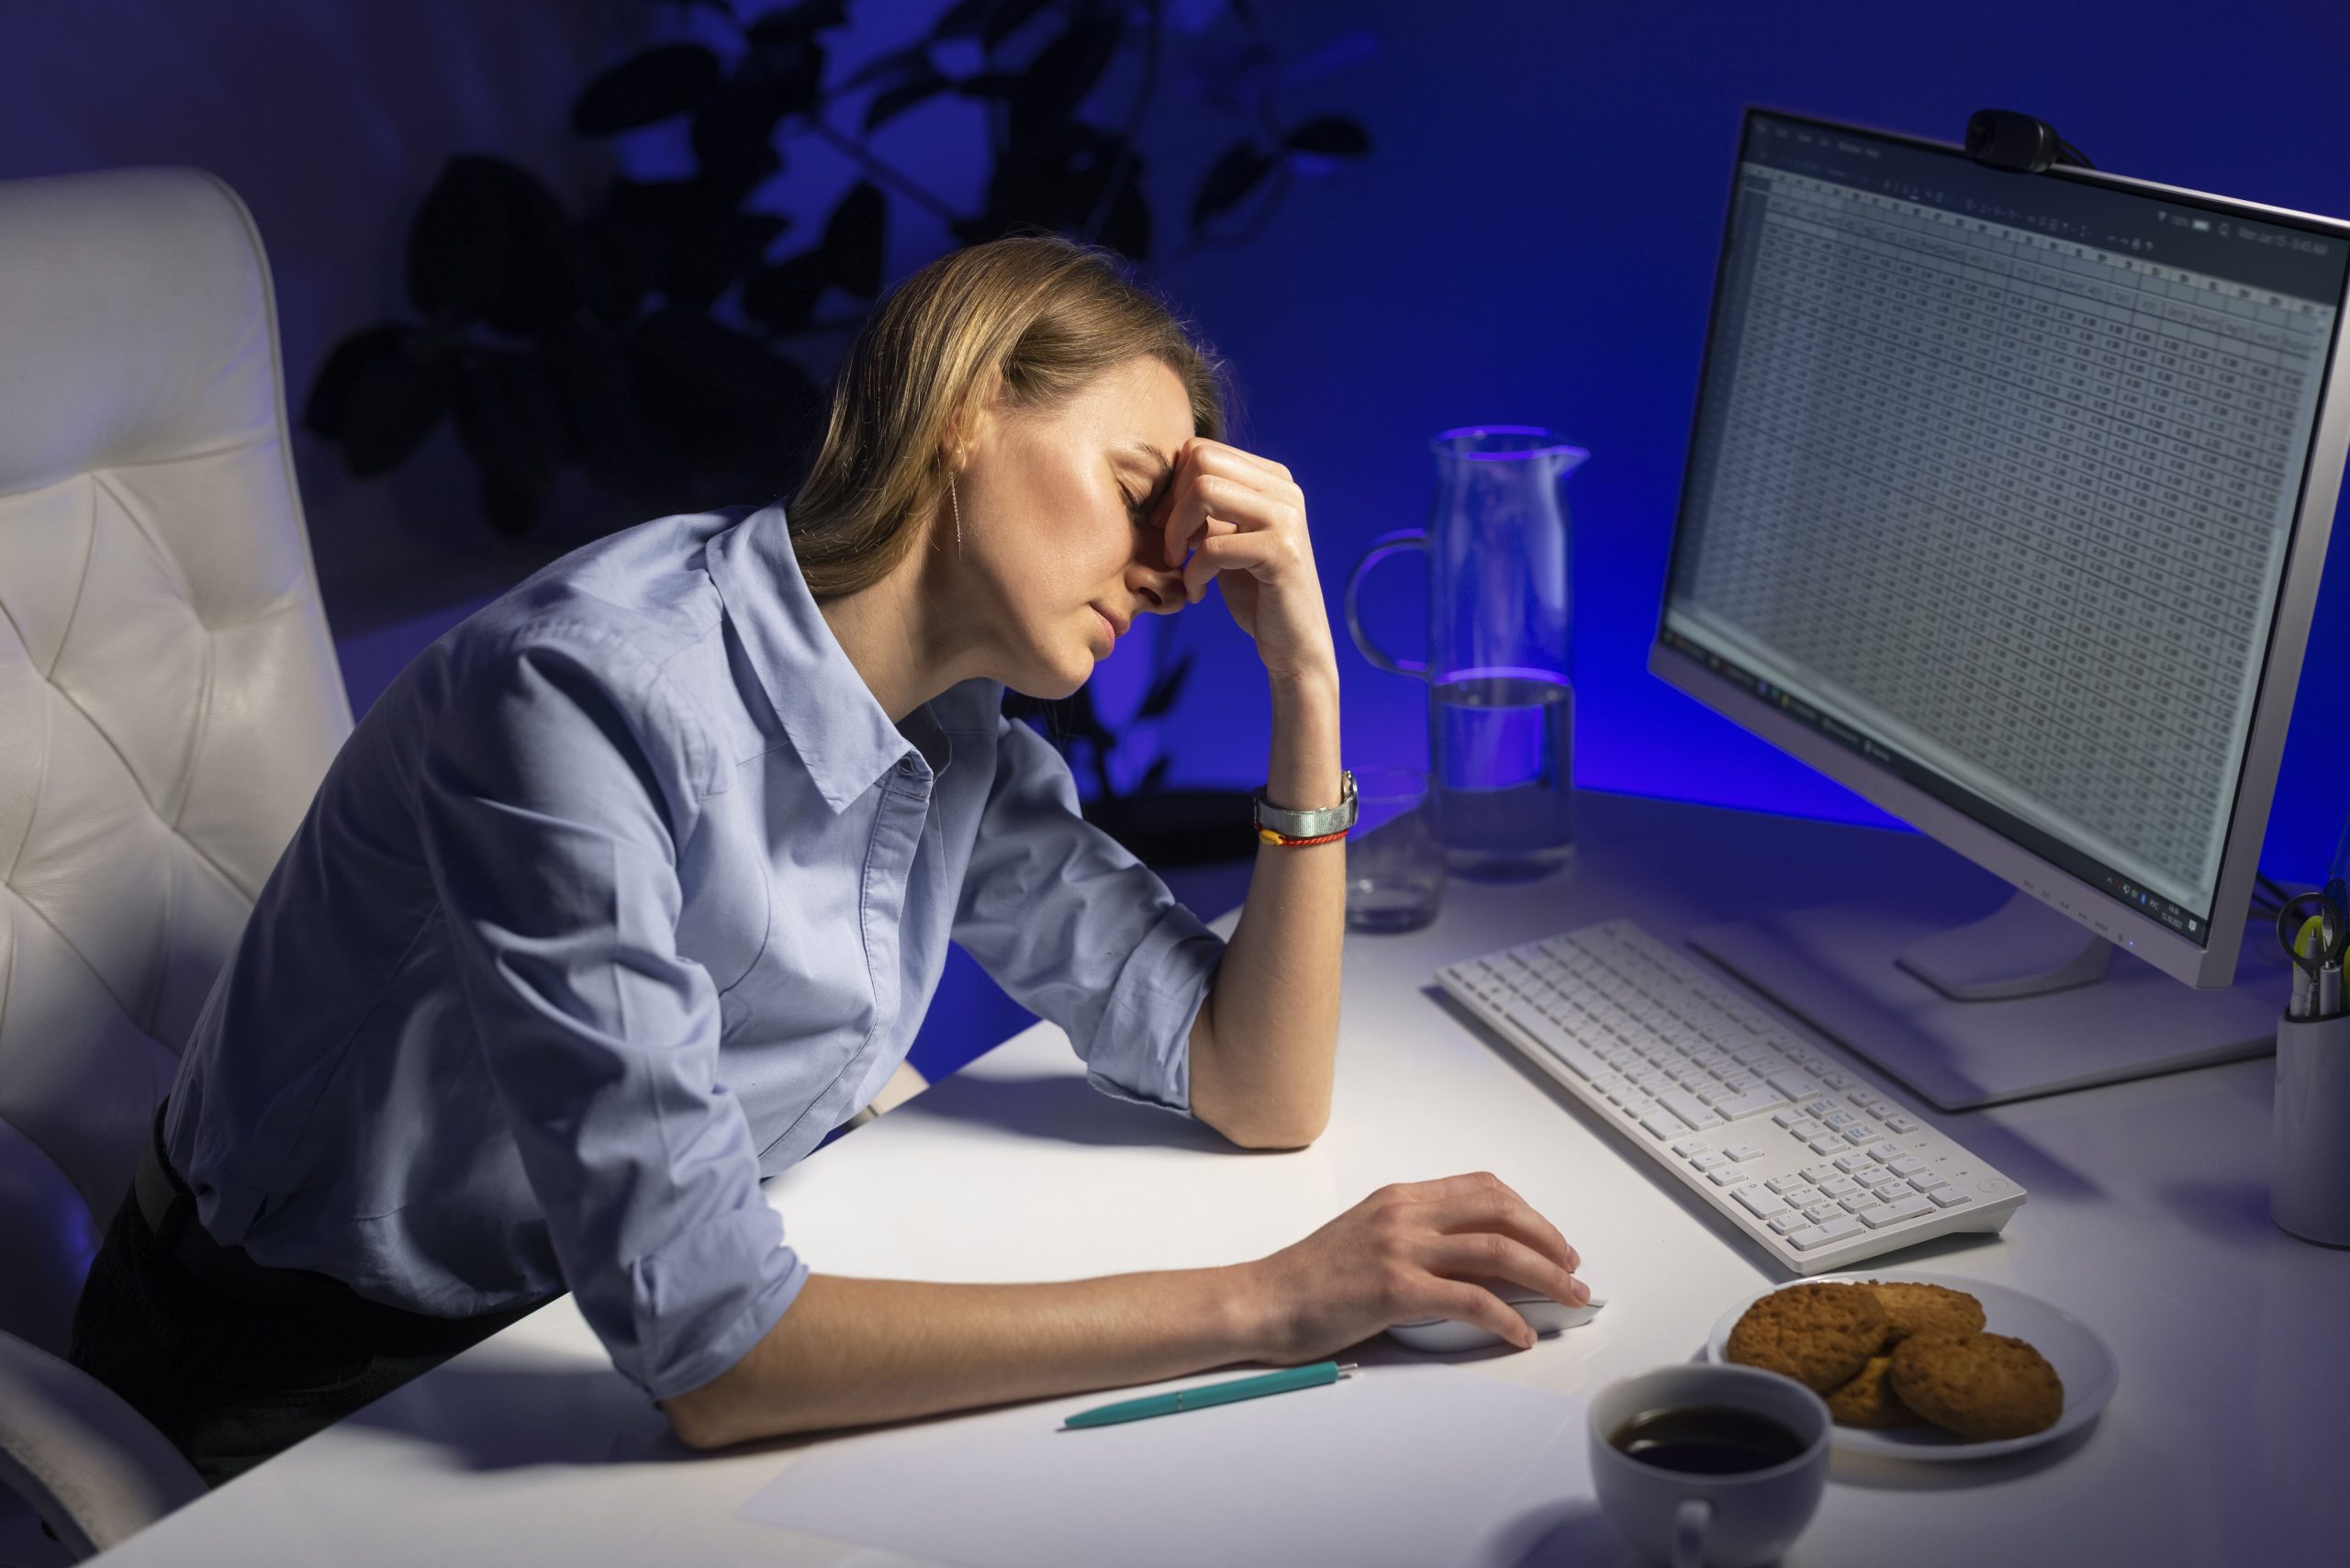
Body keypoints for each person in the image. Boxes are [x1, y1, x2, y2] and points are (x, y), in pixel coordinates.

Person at [69, 235, 1587, 1482]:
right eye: (1141, 493)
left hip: (571, 1337)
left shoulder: (960, 738)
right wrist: (1275, 1302)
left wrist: (1307, 682)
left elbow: (1257, 1084)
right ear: (967, 409)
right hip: (310, 1384)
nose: (1166, 572)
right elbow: (718, 1356)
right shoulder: (582, 695)